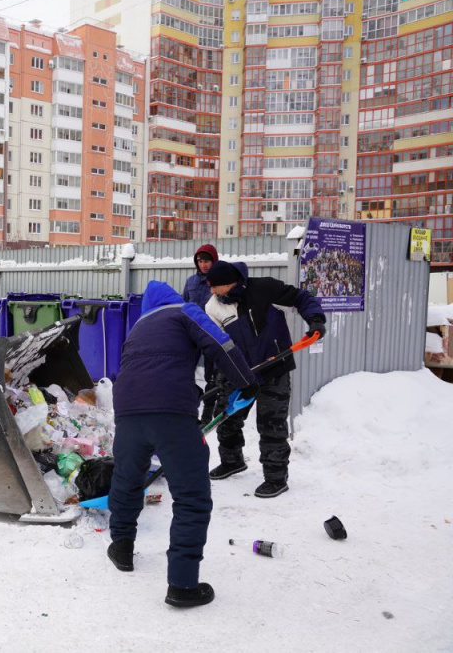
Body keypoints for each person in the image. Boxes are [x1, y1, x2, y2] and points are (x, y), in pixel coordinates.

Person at [108, 280, 258, 608]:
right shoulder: (184, 311)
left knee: (127, 478)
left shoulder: (139, 326)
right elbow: (220, 344)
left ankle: (121, 546)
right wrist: (246, 382)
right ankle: (183, 584)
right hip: (171, 412)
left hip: (127, 411)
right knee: (191, 496)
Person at [203, 261, 327, 498]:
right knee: (227, 418)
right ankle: (232, 461)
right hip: (241, 373)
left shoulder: (263, 288)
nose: (212, 292)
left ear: (230, 283)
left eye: (215, 286)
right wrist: (223, 375)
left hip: (274, 368)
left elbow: (300, 298)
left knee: (271, 424)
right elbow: (218, 346)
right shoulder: (213, 307)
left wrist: (316, 319)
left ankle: (276, 478)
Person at [183, 244, 219, 425]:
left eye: (207, 261)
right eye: (201, 261)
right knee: (188, 373)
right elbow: (184, 304)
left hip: (212, 332)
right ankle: (190, 411)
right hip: (192, 333)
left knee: (211, 375)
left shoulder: (218, 281)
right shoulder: (191, 282)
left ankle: (208, 412)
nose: (204, 265)